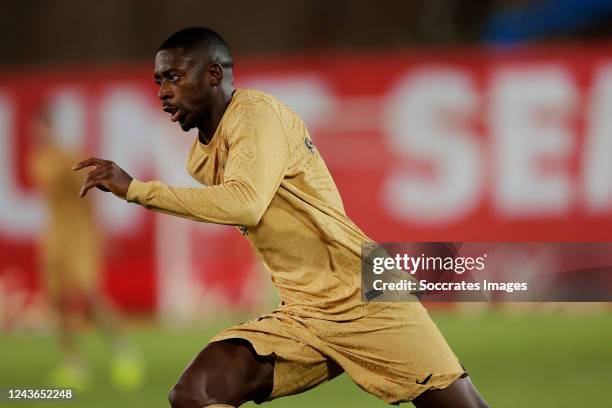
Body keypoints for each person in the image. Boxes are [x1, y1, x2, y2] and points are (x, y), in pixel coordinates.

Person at [73, 27, 489, 408]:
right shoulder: (201, 158)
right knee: (195, 394)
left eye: (174, 77)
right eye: (158, 81)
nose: (163, 91)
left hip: (364, 295)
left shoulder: (256, 116)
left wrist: (137, 190)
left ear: (214, 75)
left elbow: (246, 204)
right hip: (304, 313)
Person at [30, 109, 143, 392]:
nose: (38, 134)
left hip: (79, 237)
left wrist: (100, 234)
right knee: (56, 303)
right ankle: (73, 363)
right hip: (54, 239)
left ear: (51, 127)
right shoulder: (39, 160)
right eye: (35, 129)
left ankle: (124, 352)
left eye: (42, 127)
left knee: (90, 297)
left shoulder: (71, 158)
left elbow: (91, 195)